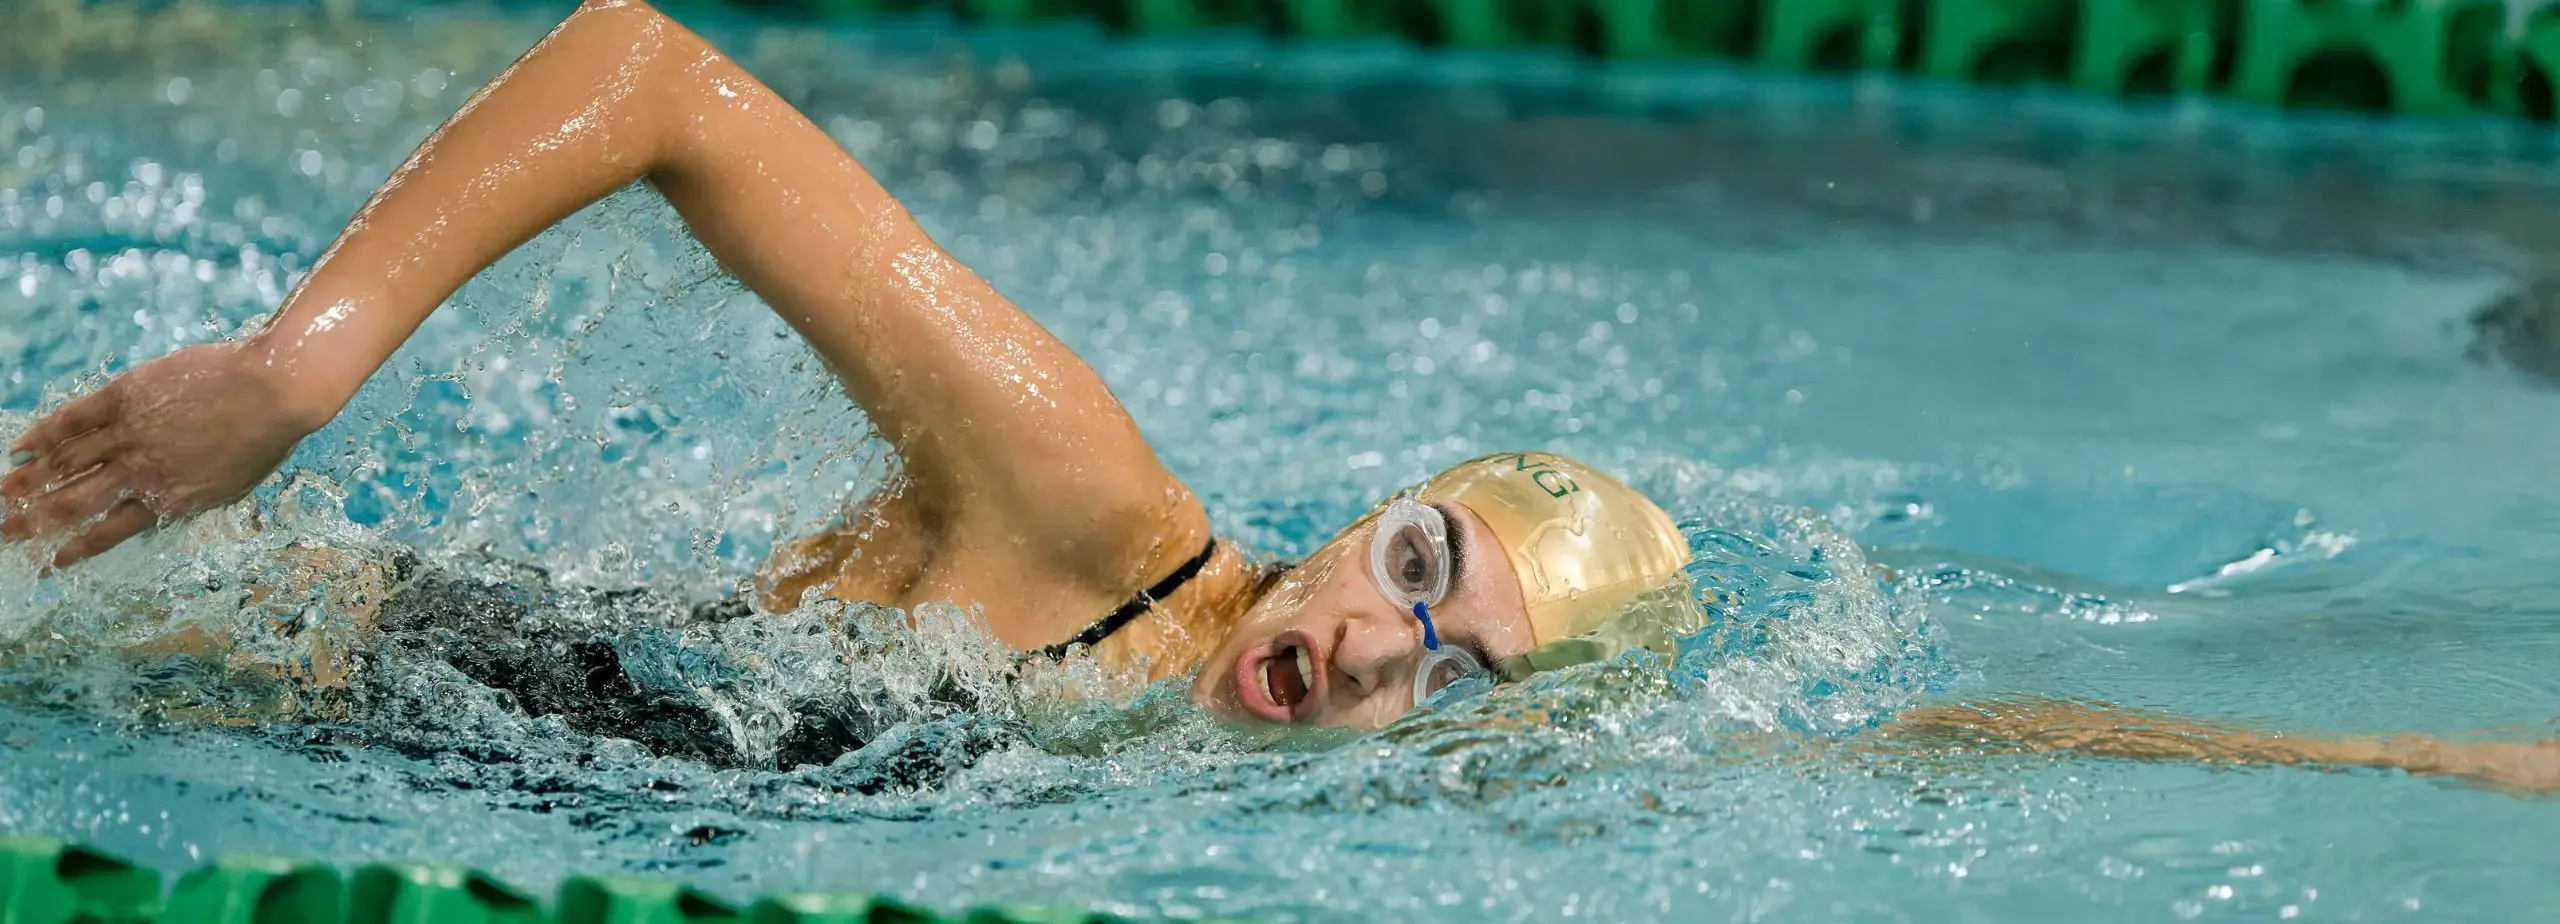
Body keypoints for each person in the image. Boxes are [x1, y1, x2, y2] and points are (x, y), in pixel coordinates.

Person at [4, 0, 2555, 790]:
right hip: (283, 650)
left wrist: (2409, 772)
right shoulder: (1090, 521)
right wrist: (294, 368)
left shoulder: (1320, 782)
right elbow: (656, 73)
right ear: (1370, 516)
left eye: (1454, 670)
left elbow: (1921, 743)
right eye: (1415, 575)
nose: (1376, 648)